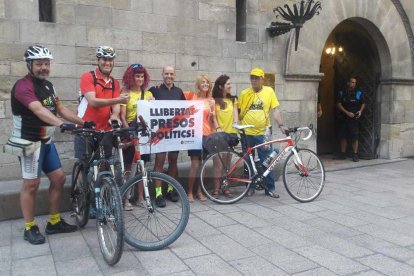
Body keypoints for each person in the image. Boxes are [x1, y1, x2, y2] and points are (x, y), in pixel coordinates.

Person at [11, 45, 94, 245]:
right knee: (31, 184)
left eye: (46, 64)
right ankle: (29, 227)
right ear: (29, 65)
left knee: (58, 179)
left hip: (45, 139)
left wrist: (83, 122)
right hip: (27, 141)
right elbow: (38, 110)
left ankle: (54, 222)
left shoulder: (48, 86)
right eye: (39, 64)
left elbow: (60, 108)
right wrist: (61, 124)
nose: (44, 68)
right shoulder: (23, 86)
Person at [75, 46, 130, 217]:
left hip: (105, 131)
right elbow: (93, 102)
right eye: (104, 59)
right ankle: (81, 201)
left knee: (104, 166)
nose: (107, 62)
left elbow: (114, 107)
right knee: (84, 167)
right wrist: (120, 99)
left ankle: (100, 201)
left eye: (110, 59)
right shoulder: (88, 77)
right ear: (98, 61)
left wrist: (114, 115)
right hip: (85, 129)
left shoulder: (114, 82)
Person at [238, 68, 287, 198]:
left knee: (267, 159)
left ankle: (269, 188)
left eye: (256, 78)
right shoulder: (244, 93)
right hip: (246, 133)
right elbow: (238, 111)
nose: (254, 80)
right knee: (248, 161)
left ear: (262, 79)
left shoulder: (269, 91)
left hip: (263, 133)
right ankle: (250, 187)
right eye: (252, 78)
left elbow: (275, 110)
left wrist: (281, 125)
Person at [149, 66, 186, 208]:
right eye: (166, 74)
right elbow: (147, 103)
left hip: (175, 134)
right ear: (162, 75)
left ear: (174, 76)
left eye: (171, 74)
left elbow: (185, 111)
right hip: (160, 134)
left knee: (173, 162)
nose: (169, 76)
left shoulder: (179, 92)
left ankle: (170, 190)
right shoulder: (155, 90)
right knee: (159, 162)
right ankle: (158, 194)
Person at [120, 63, 153, 210]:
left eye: (141, 76)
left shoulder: (148, 95)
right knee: (129, 167)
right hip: (130, 133)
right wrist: (128, 133)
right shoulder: (125, 93)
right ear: (130, 77)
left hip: (144, 134)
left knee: (142, 167)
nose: (139, 79)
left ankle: (140, 197)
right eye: (136, 76)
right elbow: (122, 117)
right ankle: (126, 198)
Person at [184, 75, 215, 203]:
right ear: (198, 85)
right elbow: (174, 98)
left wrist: (213, 111)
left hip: (207, 135)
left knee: (202, 165)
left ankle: (199, 191)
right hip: (194, 135)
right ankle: (189, 192)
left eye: (207, 82)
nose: (205, 84)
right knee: (195, 164)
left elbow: (213, 121)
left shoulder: (211, 100)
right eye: (203, 82)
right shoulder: (191, 96)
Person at [210, 74, 239, 198]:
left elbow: (235, 115)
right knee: (218, 164)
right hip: (218, 135)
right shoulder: (214, 100)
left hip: (230, 134)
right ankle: (216, 189)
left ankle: (226, 187)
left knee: (227, 165)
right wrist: (218, 129)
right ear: (221, 86)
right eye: (228, 84)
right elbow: (213, 117)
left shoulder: (233, 100)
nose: (230, 86)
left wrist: (236, 126)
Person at [336, 76, 365, 162]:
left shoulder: (358, 93)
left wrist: (360, 111)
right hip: (344, 117)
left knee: (354, 136)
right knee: (343, 136)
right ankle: (343, 154)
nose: (353, 84)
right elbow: (338, 104)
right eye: (352, 82)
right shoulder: (342, 93)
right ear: (348, 83)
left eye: (354, 83)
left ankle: (355, 155)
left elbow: (363, 103)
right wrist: (347, 112)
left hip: (354, 118)